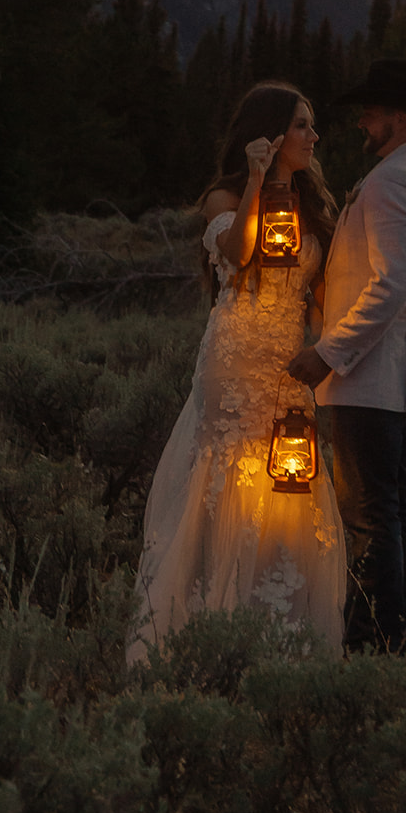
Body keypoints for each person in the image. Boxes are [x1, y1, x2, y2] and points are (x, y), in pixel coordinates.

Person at [129, 81, 346, 663]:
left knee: (286, 484)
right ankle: (207, 630)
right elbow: (238, 252)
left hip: (291, 363)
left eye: (312, 125)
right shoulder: (224, 199)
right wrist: (256, 182)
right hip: (235, 359)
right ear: (270, 135)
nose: (313, 136)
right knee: (226, 481)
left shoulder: (315, 205)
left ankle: (277, 630)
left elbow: (321, 293)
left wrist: (328, 347)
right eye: (302, 125)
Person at [289, 58, 406, 654]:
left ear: (402, 116)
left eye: (371, 110)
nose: (360, 120)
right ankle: (392, 632)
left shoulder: (392, 181)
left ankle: (371, 642)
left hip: (372, 376)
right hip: (399, 373)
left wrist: (328, 353)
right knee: (393, 510)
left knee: (370, 517)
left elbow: (391, 285)